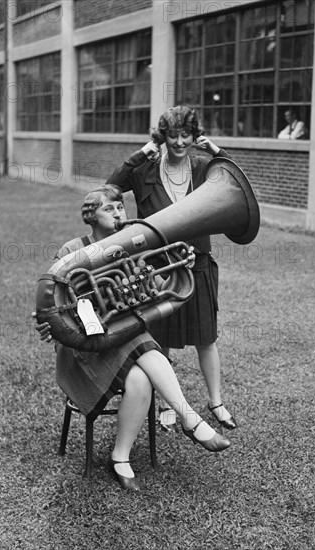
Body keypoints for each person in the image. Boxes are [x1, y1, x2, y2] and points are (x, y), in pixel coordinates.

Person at [33, 184, 231, 492]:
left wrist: (181, 266)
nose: (117, 212)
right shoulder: (72, 251)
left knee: (140, 375)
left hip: (120, 339)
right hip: (84, 351)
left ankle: (120, 457)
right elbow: (49, 301)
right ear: (90, 217)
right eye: (107, 208)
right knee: (139, 336)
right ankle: (190, 420)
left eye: (120, 207)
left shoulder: (134, 246)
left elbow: (155, 288)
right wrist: (48, 324)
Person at [106, 105, 238, 431]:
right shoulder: (145, 170)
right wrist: (141, 154)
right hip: (158, 267)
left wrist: (216, 151)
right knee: (159, 335)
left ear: (195, 135)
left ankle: (216, 402)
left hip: (198, 262)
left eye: (186, 135)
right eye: (172, 135)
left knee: (206, 337)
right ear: (162, 137)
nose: (179, 142)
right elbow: (111, 186)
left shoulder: (204, 167)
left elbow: (235, 179)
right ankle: (166, 402)